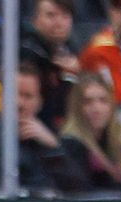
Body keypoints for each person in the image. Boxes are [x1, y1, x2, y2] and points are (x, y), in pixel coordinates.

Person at [0, 61, 87, 192]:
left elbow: (77, 188)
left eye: (27, 96)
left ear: (39, 102)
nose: (19, 103)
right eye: (13, 94)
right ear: (0, 97)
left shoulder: (46, 135)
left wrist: (52, 148)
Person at [58, 71, 121, 189]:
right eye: (88, 102)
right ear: (77, 107)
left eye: (103, 100)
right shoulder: (70, 144)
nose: (96, 109)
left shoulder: (118, 143)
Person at [20, 0, 79, 129]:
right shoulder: (26, 55)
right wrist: (69, 78)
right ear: (34, 20)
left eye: (65, 16)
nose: (59, 23)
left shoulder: (73, 51)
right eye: (51, 15)